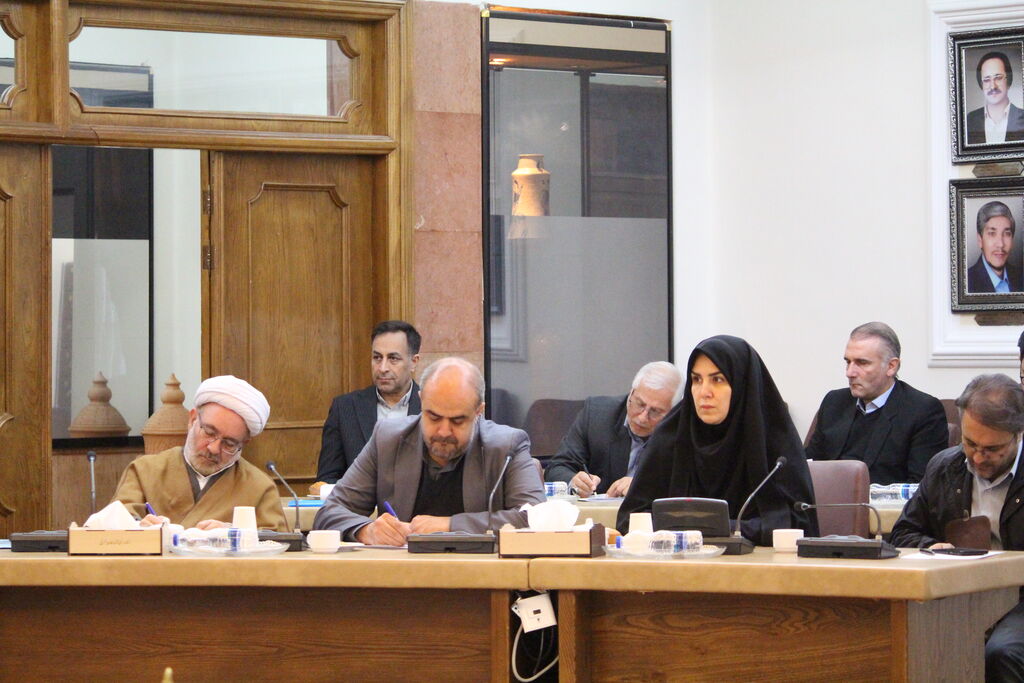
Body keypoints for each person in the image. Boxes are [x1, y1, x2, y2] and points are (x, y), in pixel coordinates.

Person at [313, 357, 545, 545]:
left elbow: (537, 518)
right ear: (421, 401)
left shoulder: (507, 445)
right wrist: (367, 530)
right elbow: (330, 513)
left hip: (483, 578)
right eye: (433, 417)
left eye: (457, 421)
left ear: (478, 412)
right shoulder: (388, 439)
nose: (443, 431)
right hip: (403, 578)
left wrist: (449, 526)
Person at [616, 335, 818, 543]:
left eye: (717, 380)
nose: (704, 392)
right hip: (680, 561)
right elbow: (630, 519)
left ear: (741, 384)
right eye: (696, 380)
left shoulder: (773, 441)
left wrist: (719, 528)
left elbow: (797, 525)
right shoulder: (671, 436)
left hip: (759, 562)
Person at [889, 374, 1024, 681]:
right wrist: (930, 547)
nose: (978, 457)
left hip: (1018, 598)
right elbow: (902, 534)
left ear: (1018, 435)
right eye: (970, 443)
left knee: (1001, 651)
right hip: (957, 595)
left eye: (992, 449)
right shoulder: (945, 467)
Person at [111, 375, 288, 531]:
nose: (214, 449)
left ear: (244, 443)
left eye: (229, 443)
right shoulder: (145, 471)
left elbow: (279, 542)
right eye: (209, 433)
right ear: (193, 419)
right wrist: (139, 527)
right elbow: (114, 525)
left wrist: (234, 533)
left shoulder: (259, 487)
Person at [805, 322, 948, 484]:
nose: (850, 372)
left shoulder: (922, 411)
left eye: (862, 363)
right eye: (848, 362)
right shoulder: (834, 402)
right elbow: (809, 465)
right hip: (827, 497)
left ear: (891, 366)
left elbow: (920, 487)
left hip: (882, 500)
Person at [544, 362, 683, 498]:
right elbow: (557, 468)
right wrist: (574, 481)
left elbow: (687, 486)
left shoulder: (683, 432)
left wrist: (643, 486)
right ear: (631, 393)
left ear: (673, 412)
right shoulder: (596, 415)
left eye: (655, 411)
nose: (642, 417)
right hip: (599, 512)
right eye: (639, 404)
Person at [312, 320, 423, 489]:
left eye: (393, 358)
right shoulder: (345, 408)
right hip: (359, 505)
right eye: (377, 358)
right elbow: (327, 480)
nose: (383, 368)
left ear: (414, 362)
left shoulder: (431, 407)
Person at [966, 51, 1024, 146]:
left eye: (998, 78)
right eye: (986, 80)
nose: (993, 86)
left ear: (1008, 80)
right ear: (981, 85)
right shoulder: (970, 120)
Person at [967, 201, 1024, 294]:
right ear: (980, 240)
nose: (1000, 244)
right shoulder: (966, 283)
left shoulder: (1021, 278)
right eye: (992, 234)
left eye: (1007, 234)